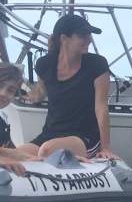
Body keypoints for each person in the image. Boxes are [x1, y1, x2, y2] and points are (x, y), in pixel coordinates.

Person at [17, 14, 115, 161]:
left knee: (47, 150)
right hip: (50, 134)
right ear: (64, 38)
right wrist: (16, 93)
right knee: (15, 153)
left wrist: (106, 147)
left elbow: (101, 108)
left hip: (84, 137)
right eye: (82, 35)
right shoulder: (45, 64)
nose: (89, 39)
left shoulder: (97, 64)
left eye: (89, 35)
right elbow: (39, 93)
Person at [0, 62, 34, 176]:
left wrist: (55, 161)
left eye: (10, 90)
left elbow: (14, 153)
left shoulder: (2, 125)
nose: (3, 93)